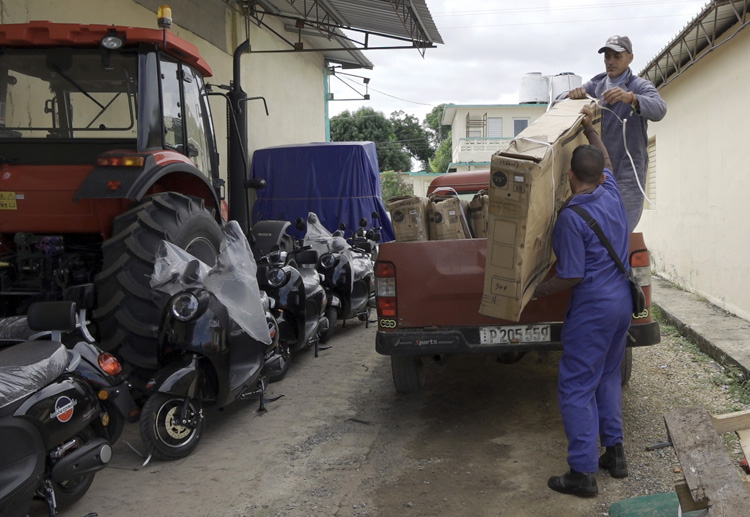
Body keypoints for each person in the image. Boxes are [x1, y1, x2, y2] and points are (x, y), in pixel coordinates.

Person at [533, 106, 632, 497]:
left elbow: (571, 274)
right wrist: (590, 127)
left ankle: (582, 472)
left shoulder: (572, 218)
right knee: (607, 376)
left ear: (569, 176)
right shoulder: (612, 192)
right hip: (623, 303)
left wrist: (534, 291)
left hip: (593, 309)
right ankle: (616, 454)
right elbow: (605, 158)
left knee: (576, 386)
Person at [567, 35, 666, 232]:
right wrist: (573, 95)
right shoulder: (595, 86)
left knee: (621, 230)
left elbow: (660, 109)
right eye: (607, 57)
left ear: (630, 58)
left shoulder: (640, 87)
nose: (610, 61)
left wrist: (632, 99)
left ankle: (618, 263)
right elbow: (564, 98)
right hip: (598, 174)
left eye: (616, 56)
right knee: (596, 231)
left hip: (628, 174)